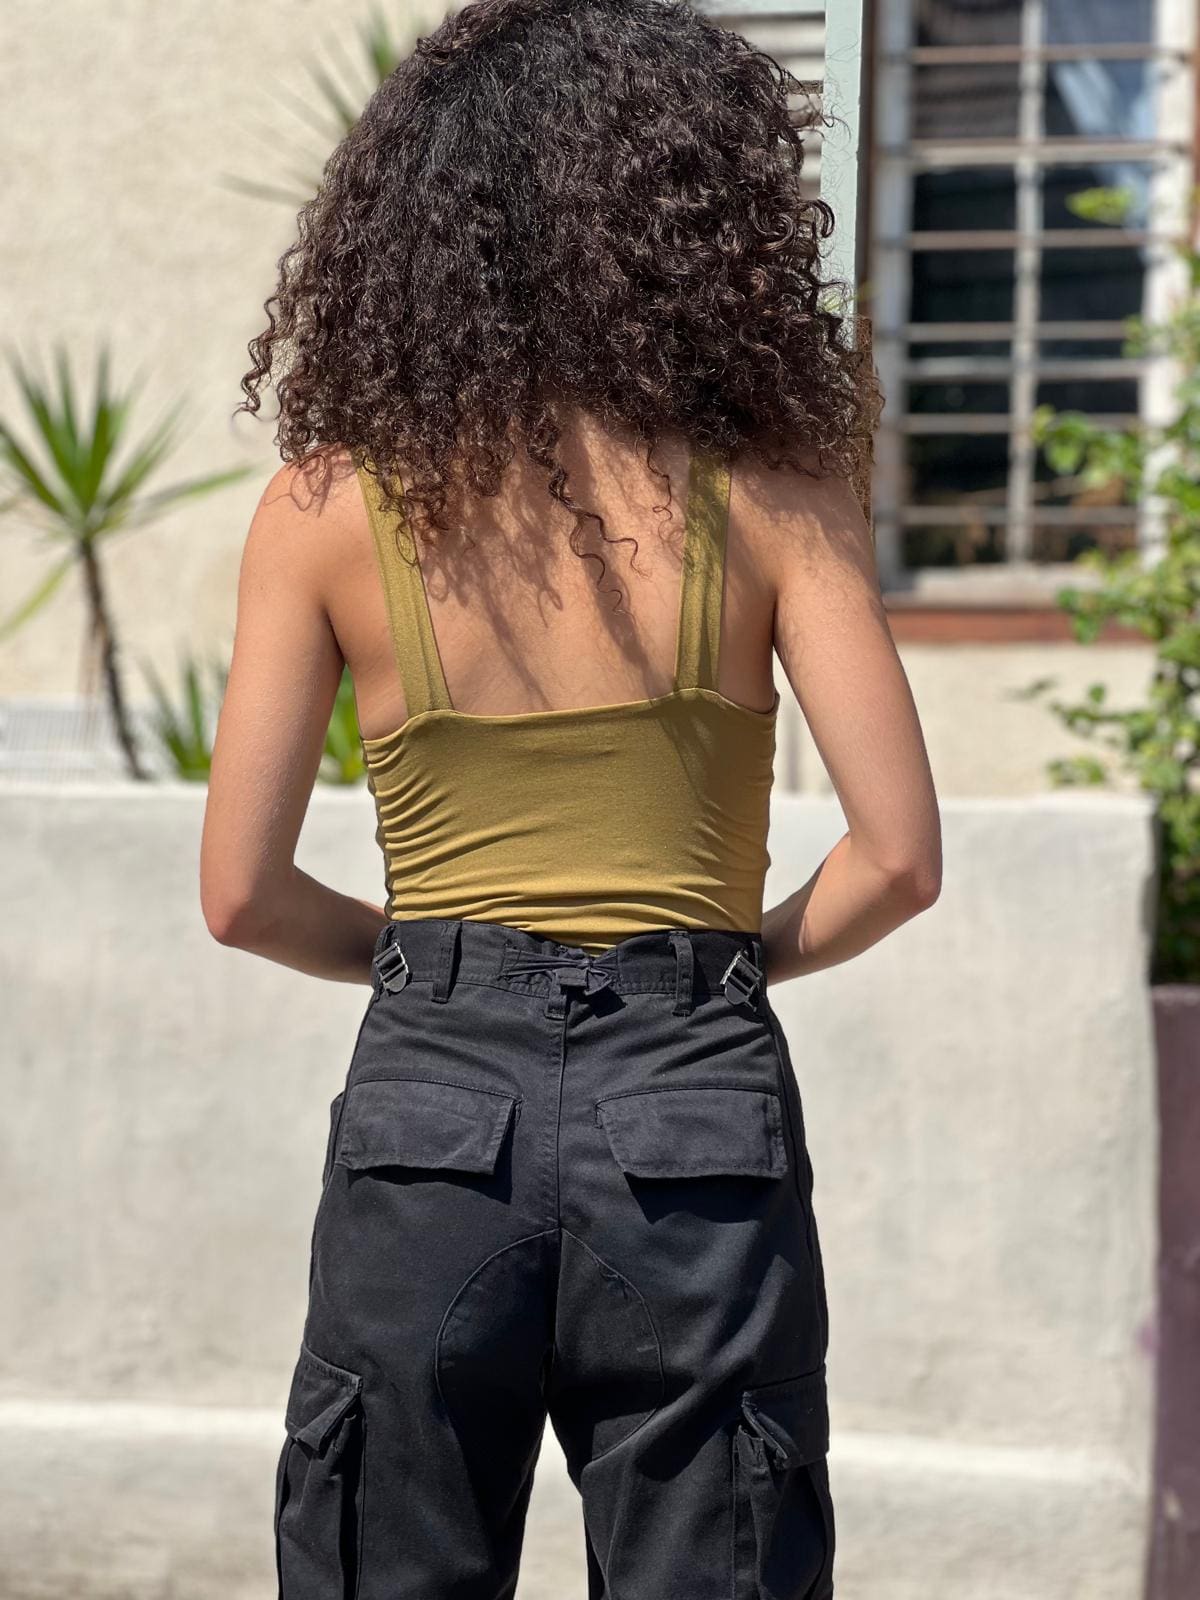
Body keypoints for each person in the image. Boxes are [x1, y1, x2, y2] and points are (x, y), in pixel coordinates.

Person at [201, 0, 941, 1594]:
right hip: (693, 1096)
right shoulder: (776, 496)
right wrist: (719, 963)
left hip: (431, 1108)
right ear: (694, 223)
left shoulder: (325, 508)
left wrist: (436, 964)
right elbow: (897, 858)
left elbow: (241, 894)